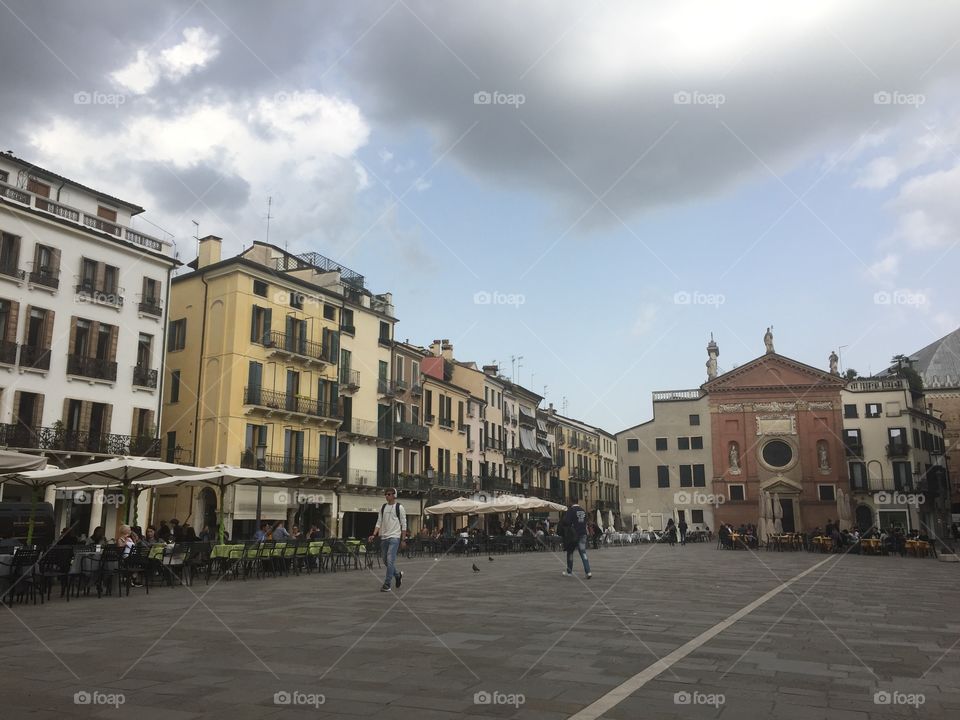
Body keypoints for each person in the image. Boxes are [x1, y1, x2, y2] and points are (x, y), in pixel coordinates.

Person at [369, 487, 408, 592]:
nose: (387, 496)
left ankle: (387, 584)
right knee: (386, 561)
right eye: (386, 494)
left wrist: (403, 540)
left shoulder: (399, 508)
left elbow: (404, 524)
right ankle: (398, 575)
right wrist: (374, 534)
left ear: (394, 495)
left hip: (395, 537)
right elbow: (379, 522)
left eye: (389, 494)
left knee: (390, 560)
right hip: (384, 538)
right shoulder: (383, 507)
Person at [560, 502, 591, 579]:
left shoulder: (571, 510)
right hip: (583, 533)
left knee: (570, 552)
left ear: (571, 502)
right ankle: (588, 571)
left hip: (574, 535)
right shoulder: (583, 510)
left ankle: (569, 571)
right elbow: (585, 521)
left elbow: (566, 521)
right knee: (583, 552)